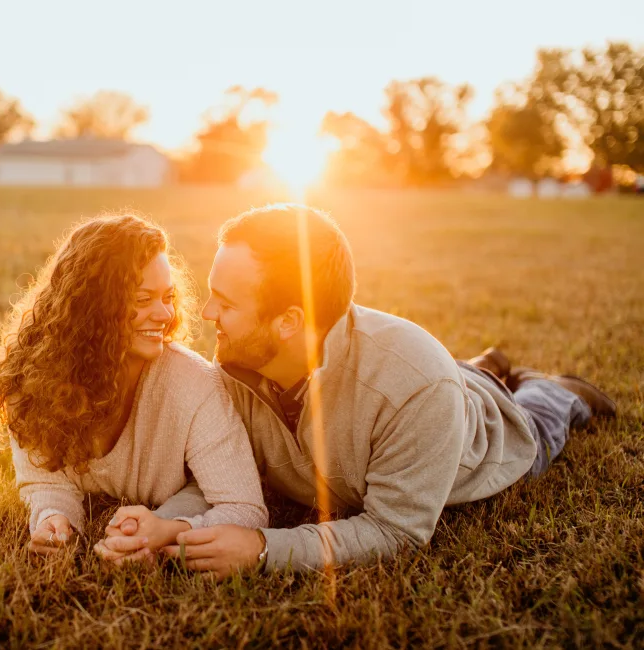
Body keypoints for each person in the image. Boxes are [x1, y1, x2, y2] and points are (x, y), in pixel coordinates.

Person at [101, 204, 616, 577]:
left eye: (225, 304)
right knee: (442, 375)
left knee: (536, 418)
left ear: (288, 321)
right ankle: (480, 366)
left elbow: (396, 532)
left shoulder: (414, 388)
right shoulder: (238, 355)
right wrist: (162, 524)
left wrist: (262, 548)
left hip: (473, 432)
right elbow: (228, 471)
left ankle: (551, 388)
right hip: (426, 378)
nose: (206, 315)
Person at [0, 214, 267, 559]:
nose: (164, 314)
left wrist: (165, 530)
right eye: (143, 300)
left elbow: (244, 507)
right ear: (94, 308)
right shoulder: (33, 383)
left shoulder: (193, 383)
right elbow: (47, 481)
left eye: (167, 297)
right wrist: (55, 519)